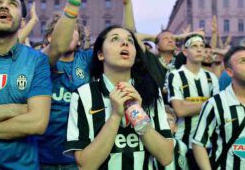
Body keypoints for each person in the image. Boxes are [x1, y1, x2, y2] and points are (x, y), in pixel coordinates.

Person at [64, 25, 173, 169]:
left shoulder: (151, 91)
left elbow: (166, 157)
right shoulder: (83, 95)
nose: (125, 43)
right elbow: (85, 165)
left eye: (130, 41)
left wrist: (137, 115)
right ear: (100, 54)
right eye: (115, 39)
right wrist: (115, 116)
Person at [0, 0, 52, 169]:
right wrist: (16, 109)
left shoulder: (37, 61)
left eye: (12, 4)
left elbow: (38, 122)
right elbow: (30, 116)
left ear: (22, 22)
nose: (4, 7)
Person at [37, 0, 92, 169]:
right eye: (61, 30)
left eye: (73, 30)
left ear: (80, 38)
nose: (69, 35)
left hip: (77, 156)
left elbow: (126, 38)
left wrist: (126, 4)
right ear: (50, 37)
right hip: (44, 155)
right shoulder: (40, 60)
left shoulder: (87, 59)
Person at [167, 33, 219, 170]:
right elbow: (180, 110)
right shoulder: (175, 75)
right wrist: (210, 102)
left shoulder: (211, 77)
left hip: (208, 144)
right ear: (185, 52)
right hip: (183, 144)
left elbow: (218, 109)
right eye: (194, 46)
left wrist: (188, 105)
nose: (200, 49)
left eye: (202, 46)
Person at [155, 105, 188, 170]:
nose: (167, 123)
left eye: (170, 120)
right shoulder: (150, 144)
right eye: (163, 120)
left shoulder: (182, 146)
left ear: (176, 127)